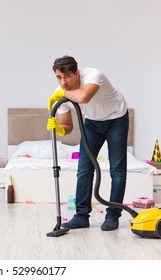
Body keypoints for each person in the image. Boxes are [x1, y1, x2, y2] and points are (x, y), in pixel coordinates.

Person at [47, 55, 129, 231]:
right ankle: (81, 216)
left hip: (117, 119)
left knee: (117, 170)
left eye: (67, 76)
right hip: (92, 123)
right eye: (59, 77)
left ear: (76, 73)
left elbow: (83, 98)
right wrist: (60, 129)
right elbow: (67, 125)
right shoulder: (61, 93)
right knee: (84, 168)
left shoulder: (93, 75)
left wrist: (61, 94)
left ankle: (113, 216)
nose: (63, 82)